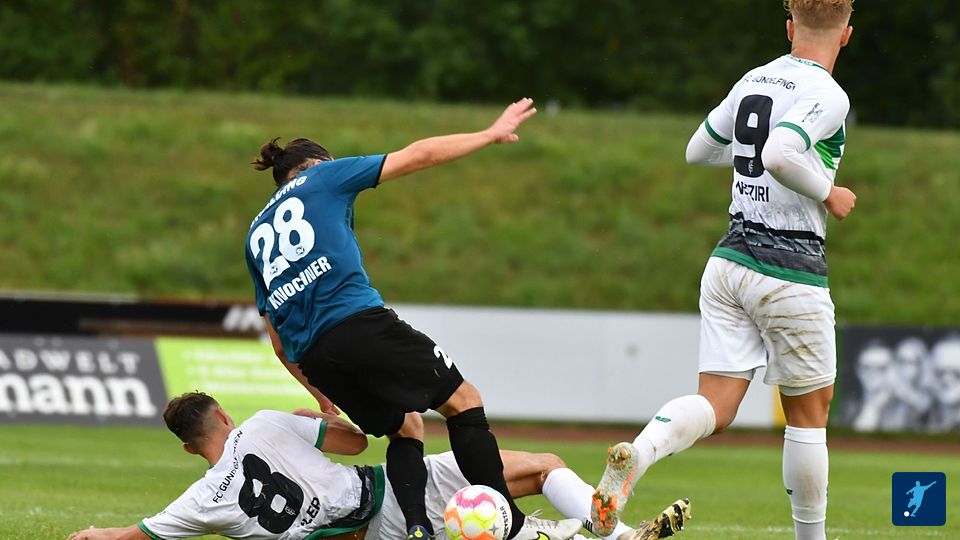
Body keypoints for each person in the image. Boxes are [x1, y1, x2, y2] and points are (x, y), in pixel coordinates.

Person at [243, 98, 584, 540]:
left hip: (316, 358)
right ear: (318, 162)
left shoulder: (254, 235)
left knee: (407, 426)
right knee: (463, 401)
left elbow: (277, 342)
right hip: (358, 323)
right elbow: (418, 155)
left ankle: (417, 528)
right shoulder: (324, 176)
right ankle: (512, 527)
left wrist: (322, 396)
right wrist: (488, 134)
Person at [590, 2, 857, 540]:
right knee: (809, 416)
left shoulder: (755, 78)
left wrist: (750, 159)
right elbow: (780, 154)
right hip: (790, 267)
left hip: (729, 262)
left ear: (789, 27)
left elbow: (698, 150)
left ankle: (639, 453)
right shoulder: (829, 94)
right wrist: (829, 191)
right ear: (846, 35)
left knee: (716, 402)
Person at [65, 392, 691, 540]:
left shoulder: (203, 501)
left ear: (187, 447)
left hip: (370, 525)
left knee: (499, 510)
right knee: (540, 469)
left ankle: (604, 532)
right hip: (384, 491)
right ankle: (609, 530)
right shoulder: (262, 424)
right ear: (223, 415)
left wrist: (93, 534)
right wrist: (322, 408)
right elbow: (354, 444)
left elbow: (134, 535)